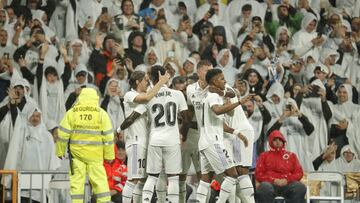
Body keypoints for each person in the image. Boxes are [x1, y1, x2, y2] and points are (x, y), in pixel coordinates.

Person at [56, 88, 115, 203]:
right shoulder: (101, 113)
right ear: (95, 98)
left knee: (77, 184)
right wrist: (109, 156)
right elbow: (108, 137)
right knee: (100, 183)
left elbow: (62, 134)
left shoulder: (72, 113)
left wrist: (60, 151)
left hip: (77, 156)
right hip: (95, 156)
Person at [141, 65, 189, 203]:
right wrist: (183, 135)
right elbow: (186, 119)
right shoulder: (177, 94)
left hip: (155, 138)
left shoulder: (148, 95)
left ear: (151, 78)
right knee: (173, 177)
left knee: (152, 176)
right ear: (165, 76)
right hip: (172, 140)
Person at [255, 130, 306, 203]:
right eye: (275, 140)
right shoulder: (264, 155)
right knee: (264, 187)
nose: (278, 142)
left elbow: (299, 173)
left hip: (288, 184)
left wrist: (287, 180)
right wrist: (273, 180)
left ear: (283, 141)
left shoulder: (291, 156)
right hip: (270, 184)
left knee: (299, 187)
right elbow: (258, 173)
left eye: (280, 139)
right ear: (270, 142)